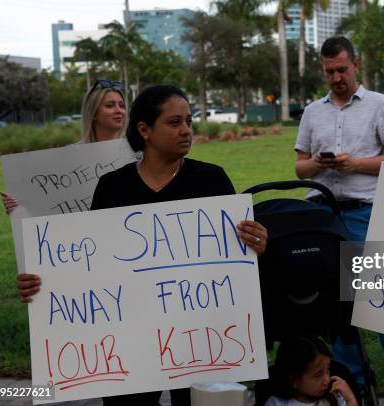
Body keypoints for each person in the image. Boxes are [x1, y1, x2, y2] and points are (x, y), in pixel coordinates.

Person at [16, 85, 268, 405]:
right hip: (129, 341)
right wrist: (41, 285)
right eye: (175, 122)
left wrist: (255, 244)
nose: (187, 130)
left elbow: (236, 259)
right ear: (144, 130)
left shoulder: (212, 180)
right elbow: (88, 264)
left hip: (200, 338)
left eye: (189, 121)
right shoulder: (112, 186)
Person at [294, 36, 384, 401]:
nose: (336, 77)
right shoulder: (312, 111)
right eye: (329, 71)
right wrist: (318, 163)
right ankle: (353, 381)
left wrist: (356, 164)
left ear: (356, 65)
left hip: (366, 211)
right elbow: (299, 167)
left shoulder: (379, 104)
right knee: (338, 306)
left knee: (382, 299)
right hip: (321, 214)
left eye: (342, 69)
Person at [0, 79, 128, 213]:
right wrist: (18, 206)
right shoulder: (68, 157)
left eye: (122, 105)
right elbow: (48, 200)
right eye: (110, 105)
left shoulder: (138, 153)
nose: (119, 111)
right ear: (94, 113)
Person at [265, 335, 358, 406]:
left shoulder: (334, 397)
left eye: (328, 370)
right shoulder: (276, 403)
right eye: (318, 375)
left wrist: (350, 400)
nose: (327, 380)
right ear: (294, 380)